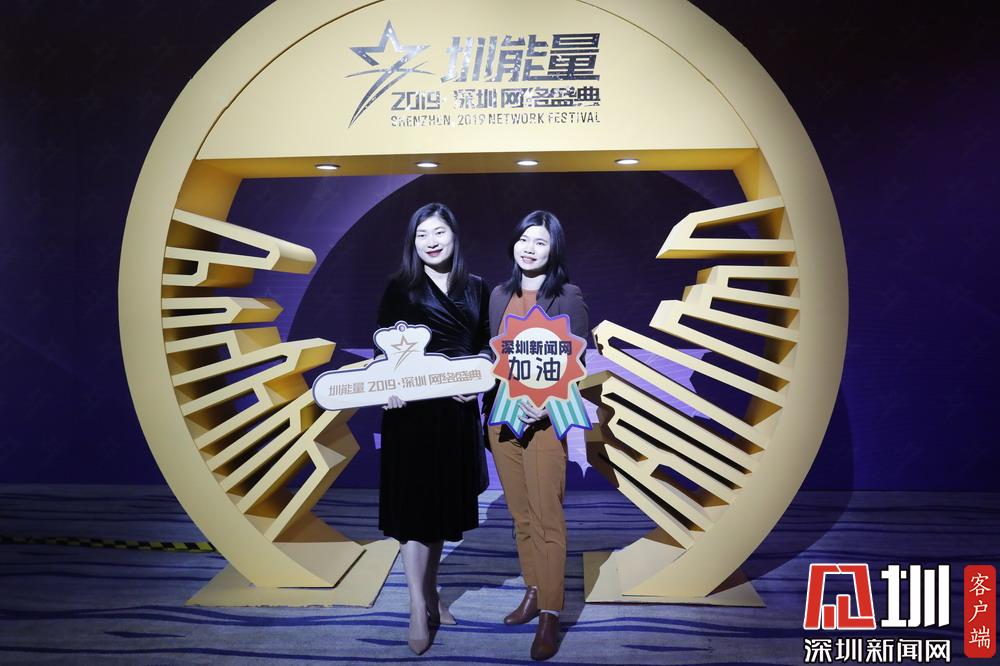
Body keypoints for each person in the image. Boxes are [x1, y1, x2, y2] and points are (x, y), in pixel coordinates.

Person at [378, 202, 490, 655]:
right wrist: (388, 386)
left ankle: (432, 593)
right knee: (413, 514)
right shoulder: (399, 287)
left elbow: (488, 345)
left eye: (439, 232)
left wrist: (478, 379)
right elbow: (382, 347)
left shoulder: (477, 287)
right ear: (413, 241)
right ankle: (415, 606)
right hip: (410, 415)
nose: (431, 241)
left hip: (455, 413)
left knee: (440, 512)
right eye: (422, 234)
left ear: (454, 236)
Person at [485, 210, 590, 661]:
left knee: (548, 516)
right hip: (502, 420)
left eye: (540, 242)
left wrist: (546, 404)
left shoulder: (568, 296)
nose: (529, 248)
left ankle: (550, 611)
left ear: (554, 249)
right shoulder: (498, 295)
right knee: (521, 515)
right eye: (524, 239)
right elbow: (493, 358)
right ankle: (532, 589)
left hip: (547, 420)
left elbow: (580, 364)